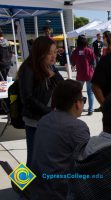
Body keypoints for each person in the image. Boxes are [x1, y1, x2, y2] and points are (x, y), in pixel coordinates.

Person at [29, 79, 90, 200]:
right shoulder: (78, 127)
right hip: (59, 191)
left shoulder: (44, 120)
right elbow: (87, 165)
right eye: (83, 100)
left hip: (37, 186)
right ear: (77, 103)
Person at [18, 36, 64, 167]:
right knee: (32, 157)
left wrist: (54, 75)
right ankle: (20, 185)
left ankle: (39, 185)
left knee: (45, 157)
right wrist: (49, 111)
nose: (53, 56)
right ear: (40, 52)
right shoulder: (28, 69)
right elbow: (27, 98)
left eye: (55, 52)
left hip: (49, 120)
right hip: (35, 121)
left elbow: (63, 86)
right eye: (49, 53)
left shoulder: (50, 67)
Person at [71, 35, 96, 115]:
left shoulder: (76, 51)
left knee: (78, 92)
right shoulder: (89, 50)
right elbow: (93, 62)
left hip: (80, 75)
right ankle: (90, 110)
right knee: (90, 92)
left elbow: (72, 62)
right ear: (86, 41)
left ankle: (79, 109)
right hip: (89, 74)